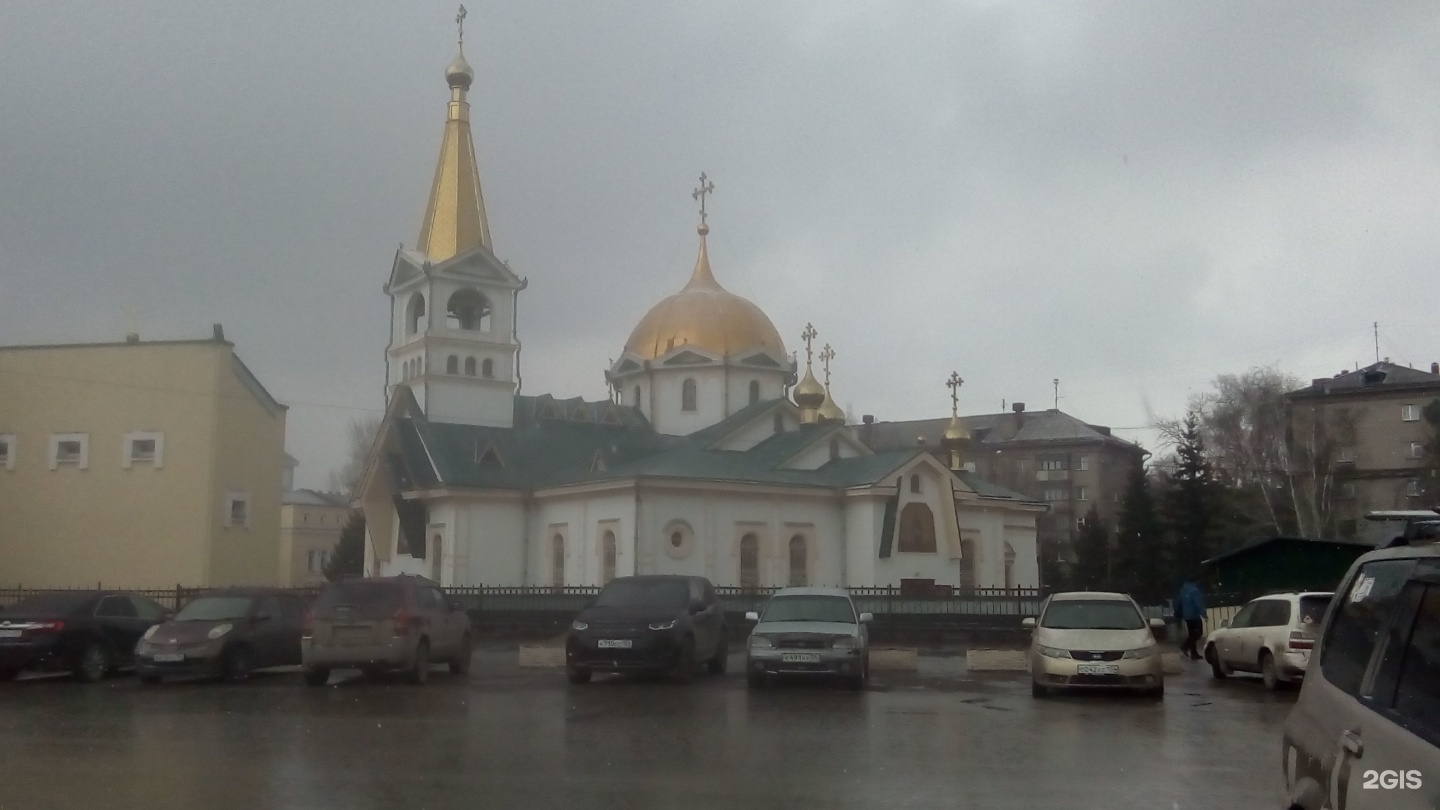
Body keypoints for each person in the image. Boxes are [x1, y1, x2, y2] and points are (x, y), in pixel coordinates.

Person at [1175, 577, 1207, 660]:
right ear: (1195, 581)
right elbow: (1198, 603)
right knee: (1198, 633)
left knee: (1192, 634)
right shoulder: (1195, 590)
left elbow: (1179, 602)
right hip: (1194, 616)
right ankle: (1184, 646)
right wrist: (1204, 614)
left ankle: (1194, 653)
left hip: (1187, 616)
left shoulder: (1183, 590)